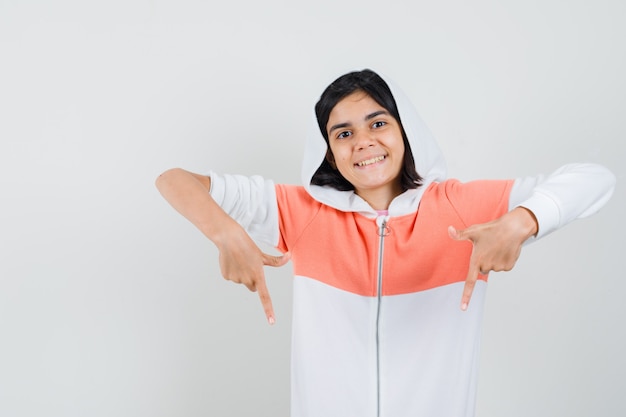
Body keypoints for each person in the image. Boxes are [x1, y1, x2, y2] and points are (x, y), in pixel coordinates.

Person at [155, 69, 615, 417]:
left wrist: (523, 221)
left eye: (378, 123)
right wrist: (226, 232)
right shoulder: (301, 213)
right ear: (329, 150)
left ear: (404, 129)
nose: (363, 142)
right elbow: (174, 179)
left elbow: (595, 178)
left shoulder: (458, 207)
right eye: (344, 133)